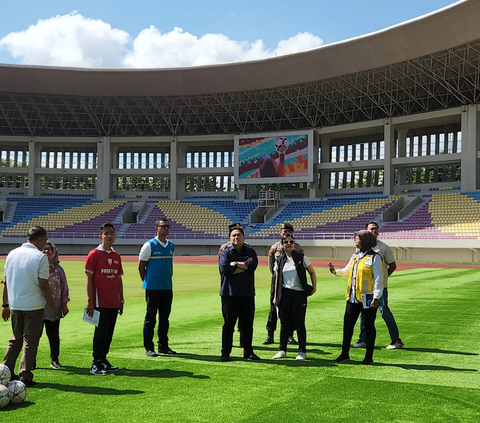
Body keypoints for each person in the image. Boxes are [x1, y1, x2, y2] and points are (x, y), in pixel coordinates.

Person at [2, 226, 58, 387]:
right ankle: (25, 375)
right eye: (45, 240)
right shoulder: (40, 257)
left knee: (15, 339)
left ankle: (5, 371)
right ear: (40, 240)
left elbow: (5, 282)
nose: (45, 243)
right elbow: (44, 284)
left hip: (16, 304)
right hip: (33, 305)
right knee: (30, 341)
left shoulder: (12, 254)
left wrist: (5, 304)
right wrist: (53, 306)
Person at [328, 230, 383, 365]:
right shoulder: (355, 256)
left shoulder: (375, 257)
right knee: (348, 326)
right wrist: (336, 272)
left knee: (368, 326)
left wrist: (376, 297)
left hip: (368, 297)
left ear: (365, 241)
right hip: (352, 297)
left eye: (357, 238)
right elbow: (348, 270)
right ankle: (344, 354)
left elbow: (378, 279)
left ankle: (368, 357)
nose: (355, 240)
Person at [353, 222, 404, 350]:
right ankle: (363, 339)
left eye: (376, 229)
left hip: (379, 288)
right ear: (366, 231)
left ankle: (396, 340)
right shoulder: (361, 248)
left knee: (384, 311)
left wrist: (382, 279)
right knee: (363, 313)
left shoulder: (383, 247)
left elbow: (392, 265)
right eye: (371, 229)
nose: (374, 231)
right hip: (365, 288)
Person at [85, 223, 124, 375]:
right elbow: (89, 278)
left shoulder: (116, 256)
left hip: (114, 301)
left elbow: (118, 279)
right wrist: (89, 300)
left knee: (109, 332)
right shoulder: (94, 254)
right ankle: (96, 363)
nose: (109, 236)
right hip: (99, 301)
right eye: (106, 233)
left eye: (112, 233)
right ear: (100, 236)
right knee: (100, 332)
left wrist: (121, 299)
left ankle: (103, 360)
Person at [272, 233, 317, 360]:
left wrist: (314, 287)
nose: (289, 244)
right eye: (286, 242)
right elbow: (277, 280)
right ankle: (282, 350)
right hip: (284, 294)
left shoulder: (301, 258)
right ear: (282, 244)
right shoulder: (279, 260)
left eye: (291, 241)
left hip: (298, 294)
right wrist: (275, 296)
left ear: (294, 244)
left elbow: (312, 272)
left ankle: (302, 351)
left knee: (299, 323)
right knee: (284, 323)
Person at [219, 223, 259, 362]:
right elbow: (225, 269)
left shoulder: (250, 251)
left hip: (247, 294)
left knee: (247, 325)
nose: (236, 237)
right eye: (233, 235)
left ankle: (248, 351)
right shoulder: (225, 252)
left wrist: (235, 264)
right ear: (230, 238)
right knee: (228, 325)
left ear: (243, 237)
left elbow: (252, 266)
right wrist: (244, 266)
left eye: (239, 235)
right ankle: (226, 352)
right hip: (229, 294)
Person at [138, 218, 176, 357]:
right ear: (156, 228)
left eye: (168, 226)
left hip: (167, 287)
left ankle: (163, 346)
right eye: (163, 226)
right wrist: (147, 281)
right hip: (153, 288)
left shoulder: (171, 245)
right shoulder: (149, 245)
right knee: (150, 318)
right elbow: (141, 266)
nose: (166, 229)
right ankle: (149, 347)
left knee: (165, 318)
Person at [263, 222, 303, 345]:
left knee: (290, 309)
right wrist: (276, 276)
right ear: (280, 233)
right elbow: (271, 264)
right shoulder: (274, 247)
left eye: (289, 232)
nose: (286, 233)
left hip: (291, 282)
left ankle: (290, 335)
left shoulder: (298, 247)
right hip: (277, 281)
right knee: (273, 307)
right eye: (284, 232)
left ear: (293, 233)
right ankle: (270, 334)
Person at [40, 240, 70, 369]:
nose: (47, 251)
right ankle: (31, 361)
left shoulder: (59, 270)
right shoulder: (37, 267)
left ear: (54, 252)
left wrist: (64, 304)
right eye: (44, 249)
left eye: (49, 249)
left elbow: (64, 288)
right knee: (34, 335)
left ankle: (55, 360)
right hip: (38, 306)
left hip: (54, 307)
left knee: (53, 335)